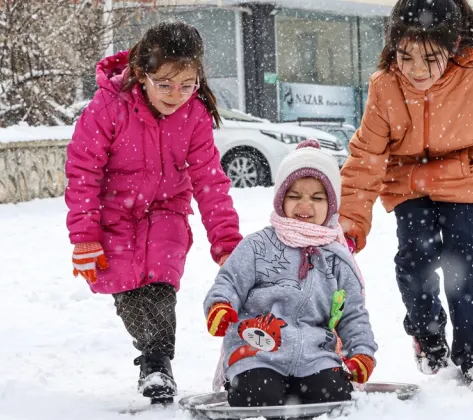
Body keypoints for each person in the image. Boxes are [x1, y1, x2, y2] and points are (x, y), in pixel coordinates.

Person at [339, 0, 473, 387]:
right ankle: (428, 334)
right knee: (415, 258)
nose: (416, 71)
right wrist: (351, 223)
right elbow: (366, 158)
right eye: (405, 57)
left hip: (467, 178)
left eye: (429, 58)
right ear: (393, 47)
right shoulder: (385, 87)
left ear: (453, 45)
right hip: (409, 183)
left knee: (465, 260)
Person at [65, 21, 242, 403]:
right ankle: (150, 351)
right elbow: (83, 173)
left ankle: (157, 363)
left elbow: (210, 183)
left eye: (187, 84)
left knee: (161, 286)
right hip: (114, 215)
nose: (176, 94)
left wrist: (227, 241)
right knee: (129, 293)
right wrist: (84, 236)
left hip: (167, 212)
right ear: (142, 74)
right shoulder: (108, 107)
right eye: (165, 84)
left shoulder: (194, 116)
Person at [204, 140, 377, 407]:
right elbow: (229, 281)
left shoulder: (336, 258)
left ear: (331, 205)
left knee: (332, 395)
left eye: (317, 197)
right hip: (257, 351)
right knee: (259, 394)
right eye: (294, 195)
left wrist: (362, 353)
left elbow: (353, 313)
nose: (304, 205)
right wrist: (220, 305)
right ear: (280, 199)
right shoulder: (257, 246)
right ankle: (248, 387)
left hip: (315, 356)